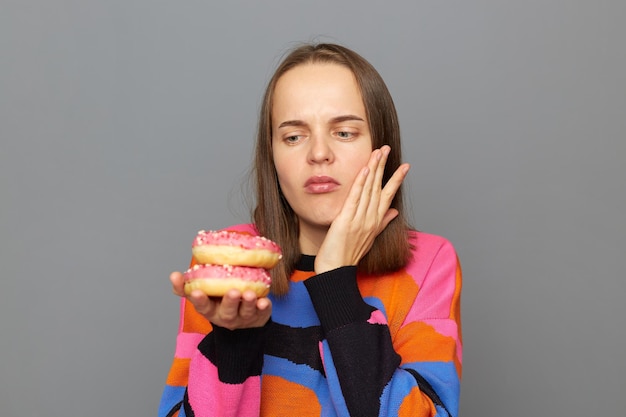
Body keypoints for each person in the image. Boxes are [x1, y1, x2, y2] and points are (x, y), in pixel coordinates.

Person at [158, 42, 462, 417]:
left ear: (380, 147)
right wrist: (233, 343)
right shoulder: (231, 265)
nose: (319, 153)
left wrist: (336, 280)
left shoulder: (429, 263)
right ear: (272, 157)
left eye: (345, 132)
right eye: (293, 136)